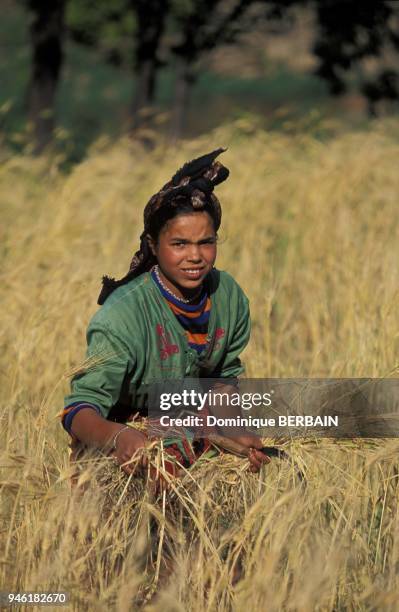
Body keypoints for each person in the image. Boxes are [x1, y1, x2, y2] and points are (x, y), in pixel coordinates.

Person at [61, 148, 269, 480]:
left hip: (187, 430)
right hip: (122, 450)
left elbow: (221, 382)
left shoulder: (228, 297)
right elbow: (78, 411)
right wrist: (120, 438)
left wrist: (234, 432)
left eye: (207, 242)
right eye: (180, 244)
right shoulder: (123, 316)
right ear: (153, 245)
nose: (196, 256)